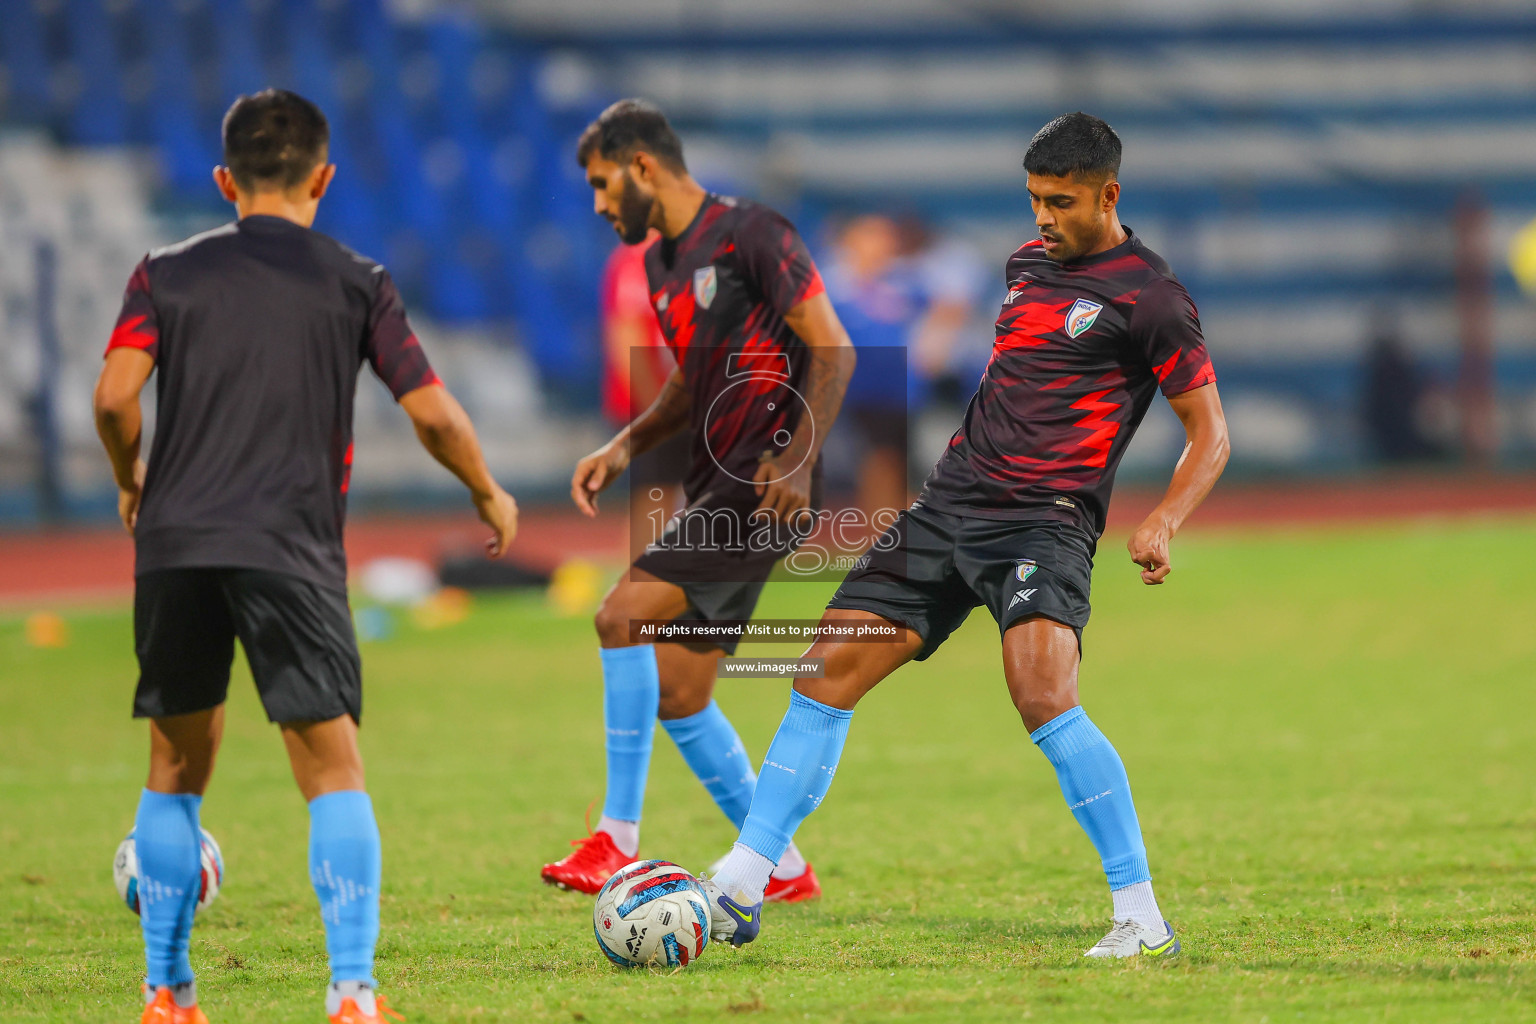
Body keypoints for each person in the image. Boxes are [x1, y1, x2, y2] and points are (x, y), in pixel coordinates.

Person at [700, 112, 1230, 960]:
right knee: (825, 667)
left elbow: (1211, 433)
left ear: (1109, 194)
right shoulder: (1025, 268)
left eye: (1060, 202)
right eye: (1033, 201)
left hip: (1043, 521)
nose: (1043, 219)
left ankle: (1141, 915)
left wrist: (1163, 518)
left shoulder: (1153, 297)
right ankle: (742, 879)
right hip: (948, 506)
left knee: (1043, 697)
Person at [92, 89, 518, 1024]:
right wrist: (486, 489)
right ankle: (352, 994)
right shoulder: (355, 278)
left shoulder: (163, 273)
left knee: (174, 768)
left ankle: (167, 993)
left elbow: (116, 397)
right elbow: (433, 412)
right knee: (332, 770)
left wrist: (131, 480)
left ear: (222, 180)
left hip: (175, 542)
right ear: (324, 177)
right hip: (287, 540)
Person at [540, 99, 854, 902]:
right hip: (716, 482)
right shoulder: (660, 265)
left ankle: (616, 839)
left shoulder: (754, 233)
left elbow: (833, 344)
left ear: (643, 165)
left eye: (605, 184)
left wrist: (797, 456)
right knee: (680, 694)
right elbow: (690, 381)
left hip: (762, 487)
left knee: (619, 616)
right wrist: (623, 446)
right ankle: (782, 869)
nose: (602, 203)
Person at [598, 229, 687, 559]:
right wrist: (657, 408)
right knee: (655, 494)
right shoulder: (639, 260)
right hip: (648, 402)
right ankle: (639, 587)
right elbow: (627, 336)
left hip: (686, 398)